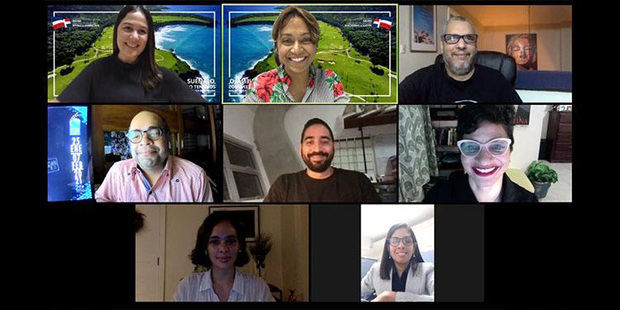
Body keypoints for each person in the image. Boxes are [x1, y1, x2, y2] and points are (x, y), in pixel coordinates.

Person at [57, 5, 204, 103]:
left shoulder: (165, 78)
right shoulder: (96, 70)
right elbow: (60, 104)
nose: (134, 37)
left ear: (149, 38)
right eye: (128, 28)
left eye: (142, 31)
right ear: (117, 31)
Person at [423, 105, 538, 203]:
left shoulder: (529, 200)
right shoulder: (437, 196)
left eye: (497, 146)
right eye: (471, 146)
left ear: (510, 151)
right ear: (461, 153)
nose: (484, 160)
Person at [95, 110, 213, 202]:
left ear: (168, 137)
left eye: (154, 132)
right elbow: (101, 198)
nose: (145, 141)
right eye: (136, 135)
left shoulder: (195, 177)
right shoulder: (117, 171)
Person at [399, 16, 522, 103]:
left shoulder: (497, 80)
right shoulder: (419, 82)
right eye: (452, 38)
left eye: (469, 38)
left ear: (475, 45)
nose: (461, 45)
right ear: (442, 45)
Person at [243, 6, 349, 103]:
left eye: (306, 39)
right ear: (277, 46)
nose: (297, 50)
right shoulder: (259, 85)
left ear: (316, 46)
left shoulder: (330, 80)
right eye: (287, 40)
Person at [263, 118, 380, 202]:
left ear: (334, 146)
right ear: (301, 148)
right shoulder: (283, 185)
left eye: (324, 141)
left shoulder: (359, 182)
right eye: (309, 142)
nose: (317, 148)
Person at [173, 213, 275, 302]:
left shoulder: (258, 288)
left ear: (239, 246)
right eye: (215, 242)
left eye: (230, 241)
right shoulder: (186, 287)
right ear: (205, 247)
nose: (223, 248)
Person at [361, 223, 434, 302]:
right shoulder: (375, 270)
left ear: (414, 247)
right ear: (388, 248)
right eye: (395, 241)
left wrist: (391, 297)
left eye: (407, 240)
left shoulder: (427, 270)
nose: (401, 245)